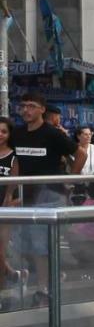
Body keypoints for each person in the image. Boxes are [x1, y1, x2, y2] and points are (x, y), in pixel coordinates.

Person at [12, 92, 87, 302]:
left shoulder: (51, 133)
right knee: (26, 243)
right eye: (23, 106)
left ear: (42, 109)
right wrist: (11, 191)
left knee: (39, 243)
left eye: (32, 106)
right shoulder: (18, 133)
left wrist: (71, 180)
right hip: (27, 196)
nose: (27, 110)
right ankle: (51, 276)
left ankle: (43, 288)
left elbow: (81, 153)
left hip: (49, 195)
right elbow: (16, 162)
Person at [0, 118, 21, 279]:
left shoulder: (14, 157)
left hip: (6, 207)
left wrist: (13, 201)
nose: (0, 135)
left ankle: (8, 273)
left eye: (4, 131)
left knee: (2, 244)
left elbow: (15, 184)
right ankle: (11, 272)